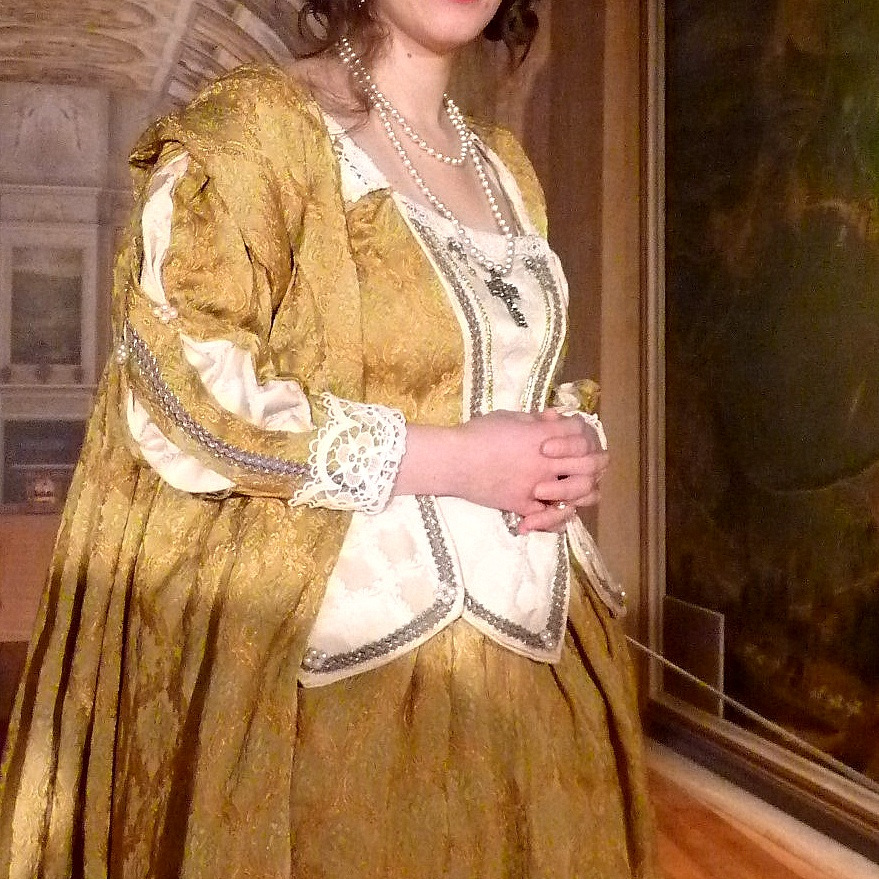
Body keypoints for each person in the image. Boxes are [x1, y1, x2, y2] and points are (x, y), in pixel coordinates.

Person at [0, 1, 657, 876]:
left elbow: (490, 376)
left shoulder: (502, 164)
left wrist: (561, 450)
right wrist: (463, 460)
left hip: (537, 659)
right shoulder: (258, 129)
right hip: (340, 679)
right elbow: (184, 389)